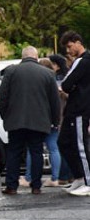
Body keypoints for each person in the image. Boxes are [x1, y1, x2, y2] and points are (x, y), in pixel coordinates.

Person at [0, 46, 61, 195]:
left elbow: (3, 96)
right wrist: (55, 120)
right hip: (39, 121)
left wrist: (4, 115)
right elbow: (54, 101)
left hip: (15, 121)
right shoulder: (48, 74)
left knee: (14, 152)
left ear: (22, 56)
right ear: (36, 56)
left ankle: (12, 186)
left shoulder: (11, 72)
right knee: (36, 152)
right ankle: (36, 186)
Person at [57, 31, 90, 196]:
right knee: (64, 142)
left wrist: (71, 87)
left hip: (79, 109)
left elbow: (66, 84)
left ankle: (87, 181)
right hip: (77, 108)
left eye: (70, 46)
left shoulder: (82, 61)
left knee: (80, 145)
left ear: (77, 42)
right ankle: (79, 177)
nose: (68, 51)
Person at [19, 58, 61, 188]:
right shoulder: (54, 83)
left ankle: (29, 177)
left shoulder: (37, 84)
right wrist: (56, 120)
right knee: (53, 148)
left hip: (38, 120)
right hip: (52, 120)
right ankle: (55, 177)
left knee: (33, 149)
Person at [49, 53, 73, 184]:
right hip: (66, 116)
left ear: (56, 66)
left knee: (60, 146)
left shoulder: (58, 80)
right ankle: (69, 175)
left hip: (61, 117)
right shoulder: (67, 77)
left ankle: (63, 176)